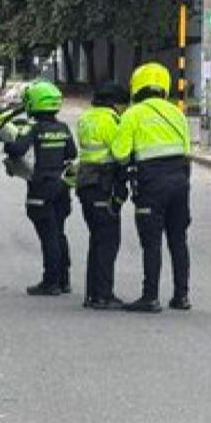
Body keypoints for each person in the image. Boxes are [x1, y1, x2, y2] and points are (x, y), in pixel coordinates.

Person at [114, 62, 192, 313]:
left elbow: (120, 154)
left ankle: (150, 296)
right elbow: (187, 152)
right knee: (178, 240)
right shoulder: (177, 114)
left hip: (151, 185)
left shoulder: (132, 115)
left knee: (152, 242)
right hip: (180, 183)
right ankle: (181, 296)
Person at [0, 81, 76, 297]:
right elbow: (72, 153)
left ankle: (50, 282)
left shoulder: (35, 129)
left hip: (41, 187)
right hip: (61, 187)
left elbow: (18, 150)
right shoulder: (63, 128)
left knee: (48, 236)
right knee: (59, 233)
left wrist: (7, 142)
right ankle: (64, 280)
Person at [75, 81, 129, 310]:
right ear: (116, 104)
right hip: (102, 183)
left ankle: (92, 294)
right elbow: (120, 153)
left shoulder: (85, 117)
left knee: (96, 239)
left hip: (85, 183)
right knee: (108, 240)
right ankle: (103, 295)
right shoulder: (110, 120)